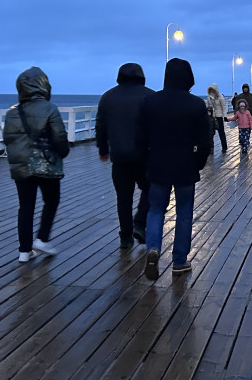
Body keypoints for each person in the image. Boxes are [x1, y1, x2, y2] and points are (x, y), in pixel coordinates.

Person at [136, 58, 211, 280]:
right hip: (185, 166)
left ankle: (153, 249)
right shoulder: (196, 104)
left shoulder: (150, 102)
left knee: (155, 210)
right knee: (184, 214)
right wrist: (197, 162)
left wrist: (145, 163)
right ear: (188, 77)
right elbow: (205, 141)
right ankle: (179, 261)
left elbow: (140, 138)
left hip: (157, 165)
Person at [2, 66, 71, 263]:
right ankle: (42, 238)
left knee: (25, 207)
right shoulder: (50, 109)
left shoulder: (12, 113)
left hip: (21, 166)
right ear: (43, 86)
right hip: (46, 165)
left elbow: (8, 139)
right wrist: (63, 152)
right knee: (51, 200)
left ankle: (24, 251)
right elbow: (59, 138)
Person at [96, 63, 154, 248]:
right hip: (144, 156)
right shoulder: (150, 96)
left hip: (119, 157)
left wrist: (103, 149)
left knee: (123, 197)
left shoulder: (108, 97)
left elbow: (100, 126)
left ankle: (125, 237)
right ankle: (140, 222)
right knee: (150, 189)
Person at [206, 84, 229, 153]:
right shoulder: (209, 97)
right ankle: (211, 147)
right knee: (210, 132)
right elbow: (208, 106)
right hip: (212, 117)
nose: (212, 91)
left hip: (219, 116)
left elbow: (224, 107)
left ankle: (224, 147)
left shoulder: (220, 97)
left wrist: (224, 116)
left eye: (213, 89)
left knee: (221, 132)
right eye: (211, 89)